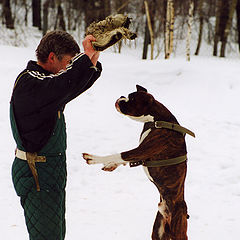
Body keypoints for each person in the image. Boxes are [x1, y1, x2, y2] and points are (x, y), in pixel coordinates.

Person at [10, 30, 102, 240]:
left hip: (49, 174)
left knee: (55, 235)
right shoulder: (31, 82)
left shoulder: (48, 85)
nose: (69, 69)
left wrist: (92, 59)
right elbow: (63, 84)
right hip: (37, 175)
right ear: (52, 57)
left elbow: (71, 86)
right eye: (68, 63)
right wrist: (85, 59)